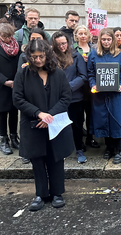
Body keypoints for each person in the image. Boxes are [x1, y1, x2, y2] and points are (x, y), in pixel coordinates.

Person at [12, 39, 74, 211]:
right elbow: (17, 99)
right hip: (33, 124)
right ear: (29, 57)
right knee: (37, 160)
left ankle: (57, 193)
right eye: (34, 57)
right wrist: (39, 113)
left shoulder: (58, 74)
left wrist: (49, 116)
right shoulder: (22, 75)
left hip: (54, 124)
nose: (38, 60)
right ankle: (41, 194)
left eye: (41, 56)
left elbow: (65, 97)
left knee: (56, 158)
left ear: (48, 55)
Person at [87, 28, 121, 164]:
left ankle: (120, 149)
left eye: (108, 39)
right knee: (104, 120)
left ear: (113, 40)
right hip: (100, 95)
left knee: (117, 120)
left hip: (117, 95)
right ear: (100, 40)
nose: (106, 42)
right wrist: (93, 84)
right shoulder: (93, 54)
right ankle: (109, 148)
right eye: (104, 39)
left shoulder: (119, 54)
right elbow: (90, 73)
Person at [52, 31, 88, 164]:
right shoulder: (50, 57)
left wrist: (69, 87)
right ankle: (62, 151)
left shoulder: (76, 55)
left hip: (75, 98)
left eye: (64, 43)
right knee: (59, 126)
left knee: (77, 125)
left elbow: (83, 76)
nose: (62, 46)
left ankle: (79, 149)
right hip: (57, 98)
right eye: (59, 44)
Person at [72, 25, 100, 149]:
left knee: (91, 114)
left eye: (85, 33)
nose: (83, 36)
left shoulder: (94, 49)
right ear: (76, 35)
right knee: (78, 115)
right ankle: (78, 142)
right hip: (77, 86)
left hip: (90, 85)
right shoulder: (72, 49)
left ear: (89, 35)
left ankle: (90, 137)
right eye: (80, 33)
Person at [0, 23, 20, 155]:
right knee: (2, 114)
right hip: (2, 86)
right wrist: (4, 81)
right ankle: (3, 139)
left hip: (16, 84)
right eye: (4, 37)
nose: (7, 39)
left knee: (14, 112)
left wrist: (17, 80)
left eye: (9, 36)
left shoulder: (17, 46)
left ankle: (14, 137)